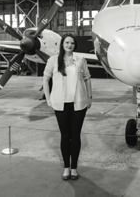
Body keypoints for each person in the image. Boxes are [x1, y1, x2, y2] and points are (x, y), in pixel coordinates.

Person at [42, 34, 91, 180]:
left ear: (74, 45)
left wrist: (90, 97)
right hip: (60, 104)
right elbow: (45, 79)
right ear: (62, 44)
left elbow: (88, 79)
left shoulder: (81, 60)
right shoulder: (53, 60)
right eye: (67, 42)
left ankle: (74, 167)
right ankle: (66, 167)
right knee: (65, 136)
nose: (69, 45)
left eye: (72, 43)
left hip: (79, 103)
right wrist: (48, 98)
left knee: (75, 136)